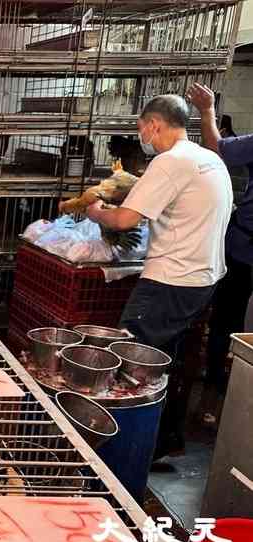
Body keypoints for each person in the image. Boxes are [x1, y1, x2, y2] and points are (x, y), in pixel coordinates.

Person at [86, 94, 232, 460]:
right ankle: (165, 441)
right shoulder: (208, 158)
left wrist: (96, 212)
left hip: (170, 281)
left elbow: (125, 220)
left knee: (133, 365)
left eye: (141, 128)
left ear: (154, 124)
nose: (141, 136)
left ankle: (124, 453)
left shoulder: (170, 162)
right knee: (168, 363)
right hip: (203, 280)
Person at [186, 83, 253, 427]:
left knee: (227, 324)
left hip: (243, 252)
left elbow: (217, 149)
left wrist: (207, 111)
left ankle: (214, 401)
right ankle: (217, 398)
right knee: (230, 325)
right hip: (244, 249)